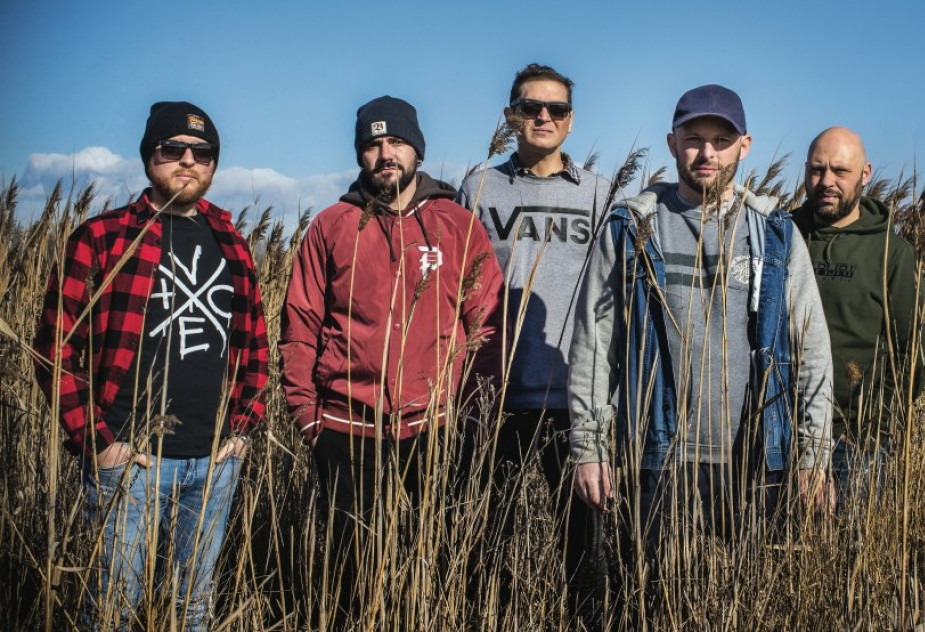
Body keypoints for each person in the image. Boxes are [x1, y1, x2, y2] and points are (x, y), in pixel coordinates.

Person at [567, 84, 834, 586]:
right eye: (694, 139)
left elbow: (811, 348)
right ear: (672, 144)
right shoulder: (631, 228)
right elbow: (593, 345)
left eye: (721, 139)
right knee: (650, 602)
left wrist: (813, 454)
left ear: (744, 145)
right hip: (656, 458)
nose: (707, 153)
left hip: (754, 460)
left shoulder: (775, 233)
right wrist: (589, 447)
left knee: (751, 603)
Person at [34, 101, 269, 631]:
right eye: (172, 149)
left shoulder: (231, 240)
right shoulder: (103, 237)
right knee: (113, 610)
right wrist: (98, 442)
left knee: (193, 608)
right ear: (148, 158)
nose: (188, 160)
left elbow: (255, 341)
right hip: (130, 463)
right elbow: (53, 349)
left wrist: (243, 429)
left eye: (202, 152)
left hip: (213, 463)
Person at [278, 96, 504, 623]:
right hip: (346, 428)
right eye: (373, 144)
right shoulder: (332, 225)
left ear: (416, 151)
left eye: (396, 142)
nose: (386, 154)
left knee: (438, 567)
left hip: (438, 429)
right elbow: (300, 325)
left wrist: (476, 412)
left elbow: (487, 325)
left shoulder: (456, 225)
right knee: (350, 576)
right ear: (361, 154)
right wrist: (308, 417)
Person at [456, 63, 608, 616]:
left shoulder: (598, 192)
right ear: (510, 116)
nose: (543, 116)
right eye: (530, 107)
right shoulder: (478, 187)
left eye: (556, 109)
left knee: (584, 555)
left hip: (575, 405)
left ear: (571, 121)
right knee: (483, 550)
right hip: (493, 404)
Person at [791, 127, 925, 512]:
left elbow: (913, 356)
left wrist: (870, 429)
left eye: (840, 171)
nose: (827, 182)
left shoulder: (893, 252)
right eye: (817, 170)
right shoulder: (784, 236)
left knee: (851, 559)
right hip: (782, 434)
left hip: (854, 444)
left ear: (865, 174)